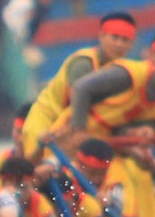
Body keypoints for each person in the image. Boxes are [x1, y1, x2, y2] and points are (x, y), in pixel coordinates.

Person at [54, 30, 155, 217]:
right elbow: (82, 88)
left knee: (131, 187)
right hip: (71, 139)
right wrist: (79, 132)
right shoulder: (129, 74)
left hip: (108, 149)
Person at [17, 11, 137, 155]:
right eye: (115, 37)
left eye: (125, 40)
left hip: (73, 126)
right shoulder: (84, 63)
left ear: (131, 44)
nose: (119, 44)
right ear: (102, 36)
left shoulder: (125, 70)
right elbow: (78, 105)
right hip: (47, 122)